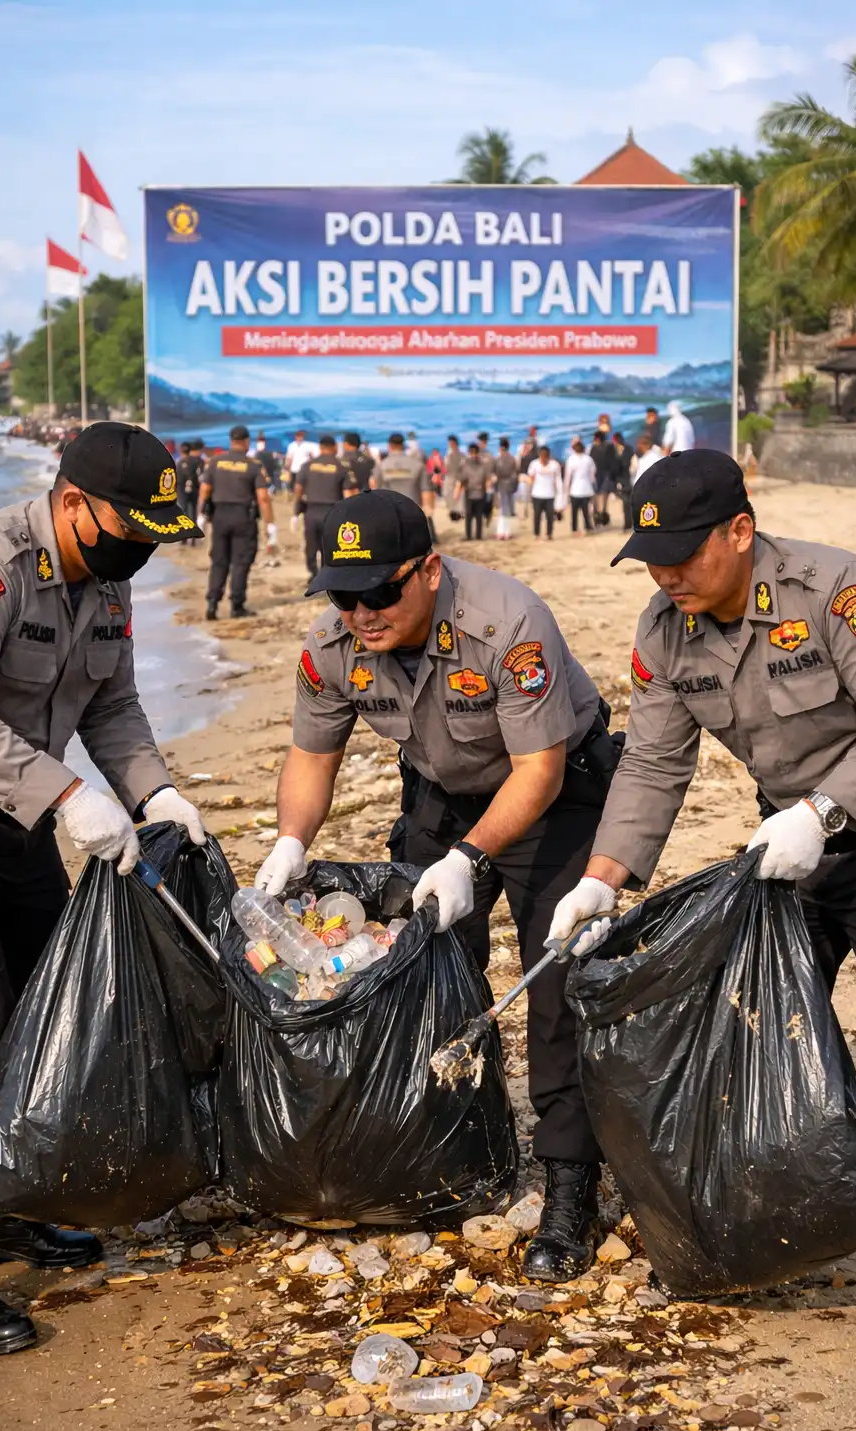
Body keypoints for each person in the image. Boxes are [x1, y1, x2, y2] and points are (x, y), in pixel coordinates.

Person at [546, 447, 856, 1348]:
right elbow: (653, 761)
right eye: (652, 560)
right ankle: (767, 1228)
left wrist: (823, 813)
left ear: (741, 531)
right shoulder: (663, 630)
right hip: (785, 857)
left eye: (683, 555)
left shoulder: (835, 592)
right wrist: (601, 878)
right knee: (751, 1035)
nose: (667, 576)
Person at [254, 490, 621, 1280]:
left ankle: (570, 1186)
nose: (362, 614)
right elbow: (312, 757)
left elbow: (539, 771)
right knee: (419, 974)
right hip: (440, 794)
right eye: (344, 596)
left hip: (555, 795)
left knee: (557, 979)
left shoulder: (507, 625)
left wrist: (469, 858)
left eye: (380, 593)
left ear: (427, 570)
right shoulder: (332, 644)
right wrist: (290, 841)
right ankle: (447, 1152)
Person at [0, 422, 208, 1354]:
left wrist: (154, 793)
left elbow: (112, 706)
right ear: (73, 502)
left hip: (19, 819)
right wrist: (71, 795)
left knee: (45, 1013)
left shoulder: (106, 583)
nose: (139, 549)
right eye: (129, 528)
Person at [198, 426, 272, 619]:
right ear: (247, 442)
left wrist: (200, 516)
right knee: (240, 562)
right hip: (243, 517)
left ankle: (212, 604)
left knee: (219, 561)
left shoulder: (216, 462)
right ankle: (236, 606)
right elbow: (263, 497)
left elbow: (205, 490)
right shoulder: (253, 465)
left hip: (220, 516)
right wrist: (270, 524)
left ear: (231, 441)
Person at [295, 435, 357, 584]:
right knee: (329, 545)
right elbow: (348, 494)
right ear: (334, 447)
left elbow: (298, 489)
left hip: (311, 511)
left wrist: (296, 510)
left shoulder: (308, 465)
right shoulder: (341, 467)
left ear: (320, 447)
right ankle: (326, 574)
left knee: (311, 544)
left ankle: (313, 573)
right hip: (331, 512)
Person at [373, 432, 436, 539]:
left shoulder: (381, 466)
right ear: (403, 445)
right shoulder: (418, 465)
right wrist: (428, 510)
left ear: (389, 445)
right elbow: (426, 489)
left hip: (390, 513)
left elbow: (377, 489)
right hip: (413, 510)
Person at [454, 442, 491, 541]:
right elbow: (488, 479)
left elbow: (461, 480)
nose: (473, 455)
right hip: (477, 492)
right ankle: (475, 535)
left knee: (472, 515)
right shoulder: (481, 464)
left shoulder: (466, 464)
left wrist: (457, 492)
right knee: (475, 515)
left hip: (473, 492)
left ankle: (472, 536)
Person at [527, 444, 563, 539]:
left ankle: (549, 533)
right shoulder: (534, 464)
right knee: (537, 515)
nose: (543, 459)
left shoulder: (554, 465)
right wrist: (529, 491)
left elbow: (558, 480)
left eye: (545, 457)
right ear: (539, 455)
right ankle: (537, 534)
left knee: (550, 516)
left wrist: (560, 494)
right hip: (537, 494)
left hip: (550, 495)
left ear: (548, 456)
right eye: (542, 457)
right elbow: (531, 478)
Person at [563, 439, 597, 535]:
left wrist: (566, 488)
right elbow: (593, 474)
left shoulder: (571, 459)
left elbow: (568, 476)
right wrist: (593, 485)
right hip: (586, 488)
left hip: (575, 489)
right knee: (586, 510)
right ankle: (588, 527)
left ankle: (574, 529)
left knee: (574, 511)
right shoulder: (588, 459)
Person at [590, 428, 618, 527]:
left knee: (599, 496)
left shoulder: (596, 447)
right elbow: (613, 460)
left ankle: (600, 516)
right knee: (603, 497)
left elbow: (591, 461)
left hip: (601, 474)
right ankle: (601, 515)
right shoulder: (608, 446)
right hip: (605, 474)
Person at [493, 437, 519, 540]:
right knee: (506, 508)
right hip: (510, 484)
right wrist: (514, 486)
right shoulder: (512, 458)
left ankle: (501, 532)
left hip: (501, 485)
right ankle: (506, 532)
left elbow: (495, 473)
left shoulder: (498, 459)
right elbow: (516, 473)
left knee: (503, 509)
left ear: (501, 447)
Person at [611, 431, 634, 531]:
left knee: (626, 503)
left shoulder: (617, 451)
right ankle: (629, 523)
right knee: (629, 502)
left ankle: (628, 524)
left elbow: (616, 467)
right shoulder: (629, 448)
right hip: (629, 478)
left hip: (623, 479)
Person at [443, 435, 464, 521]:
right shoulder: (448, 453)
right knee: (448, 495)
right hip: (449, 477)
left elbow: (462, 467)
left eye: (451, 442)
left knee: (458, 497)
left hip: (456, 478)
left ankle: (458, 514)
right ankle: (453, 512)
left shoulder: (459, 454)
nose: (450, 444)